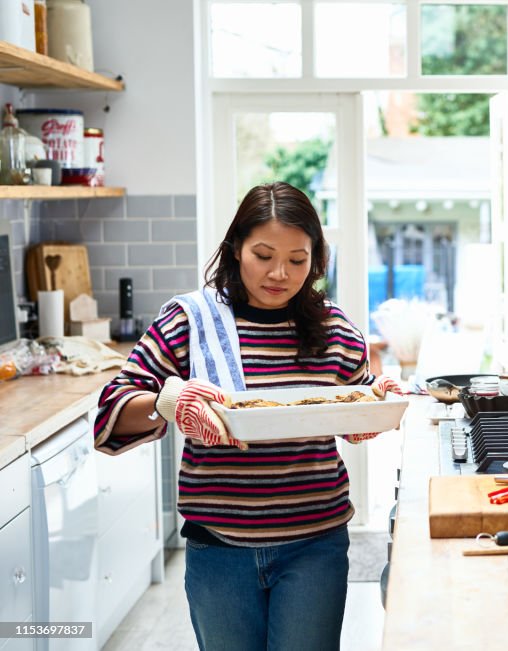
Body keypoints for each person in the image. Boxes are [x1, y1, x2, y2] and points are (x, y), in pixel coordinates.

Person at [93, 182, 400, 650]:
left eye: (298, 260)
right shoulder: (189, 322)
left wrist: (377, 404)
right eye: (263, 255)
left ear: (315, 259)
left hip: (315, 542)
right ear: (236, 247)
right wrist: (166, 401)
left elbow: (355, 415)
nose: (280, 273)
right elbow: (111, 411)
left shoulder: (336, 329)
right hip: (219, 549)